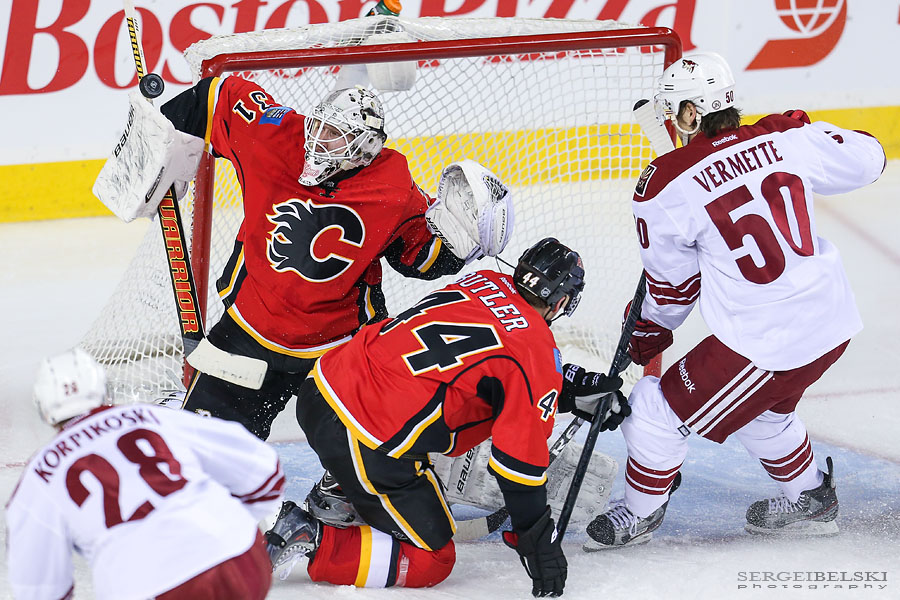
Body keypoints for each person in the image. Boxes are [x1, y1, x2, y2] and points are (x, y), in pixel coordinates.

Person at [583, 52, 886, 550]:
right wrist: (802, 134)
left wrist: (647, 330)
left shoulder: (666, 185)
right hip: (832, 323)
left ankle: (640, 513)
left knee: (655, 409)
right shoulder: (785, 139)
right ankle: (812, 499)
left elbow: (674, 290)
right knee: (764, 413)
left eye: (674, 112)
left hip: (768, 341)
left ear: (688, 114)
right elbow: (872, 158)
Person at [262, 238, 628, 597]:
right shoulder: (534, 357)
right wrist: (537, 544)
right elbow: (517, 469)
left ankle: (342, 488)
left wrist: (567, 386)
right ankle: (314, 537)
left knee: (427, 404)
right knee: (433, 559)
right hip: (363, 435)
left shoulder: (483, 280)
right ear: (561, 300)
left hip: (324, 385)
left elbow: (483, 360)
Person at [153, 77, 511, 441]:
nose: (317, 140)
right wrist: (159, 137)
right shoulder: (276, 135)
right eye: (319, 125)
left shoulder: (393, 185)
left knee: (378, 437)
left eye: (335, 135)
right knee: (207, 446)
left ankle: (338, 492)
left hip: (340, 341)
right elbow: (219, 96)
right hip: (251, 324)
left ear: (366, 147)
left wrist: (463, 244)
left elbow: (419, 258)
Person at [6, 348, 286, 600]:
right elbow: (264, 471)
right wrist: (226, 527)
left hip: (152, 586)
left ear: (44, 409)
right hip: (238, 556)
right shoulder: (153, 417)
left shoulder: (39, 474)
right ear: (105, 390)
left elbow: (39, 587)